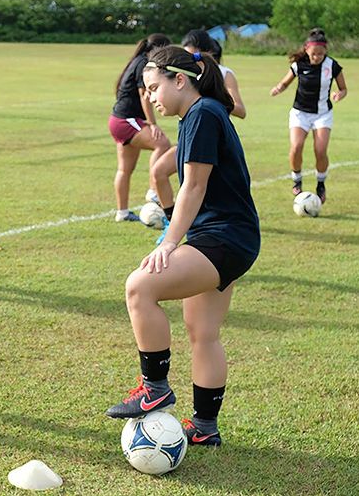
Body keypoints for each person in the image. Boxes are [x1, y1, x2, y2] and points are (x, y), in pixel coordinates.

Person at [105, 46, 260, 448]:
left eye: (155, 87)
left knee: (140, 286)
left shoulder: (203, 113)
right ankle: (205, 428)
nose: (151, 97)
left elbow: (194, 184)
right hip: (231, 237)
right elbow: (171, 175)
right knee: (203, 332)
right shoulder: (202, 113)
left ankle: (154, 386)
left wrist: (169, 242)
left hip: (223, 238)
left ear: (180, 80)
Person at [150, 29, 247, 243]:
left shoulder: (216, 85)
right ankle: (172, 223)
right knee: (159, 171)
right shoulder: (192, 107)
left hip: (209, 136)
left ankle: (178, 230)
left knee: (197, 183)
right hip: (197, 129)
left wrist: (213, 101)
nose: (187, 61)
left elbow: (240, 109)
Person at [271, 27, 347, 203]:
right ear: (306, 49)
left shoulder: (332, 65)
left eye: (320, 54)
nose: (317, 57)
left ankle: (321, 184)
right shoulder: (298, 65)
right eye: (314, 54)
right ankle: (297, 180)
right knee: (296, 147)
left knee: (320, 150)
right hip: (300, 113)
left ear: (325, 51)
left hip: (322, 113)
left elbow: (343, 88)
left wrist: (338, 94)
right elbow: (284, 83)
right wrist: (278, 89)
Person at [108, 33, 172, 222]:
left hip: (117, 120)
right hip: (127, 120)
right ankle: (153, 190)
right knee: (162, 144)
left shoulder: (137, 60)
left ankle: (122, 213)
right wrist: (152, 124)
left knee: (124, 170)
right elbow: (145, 96)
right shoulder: (144, 64)